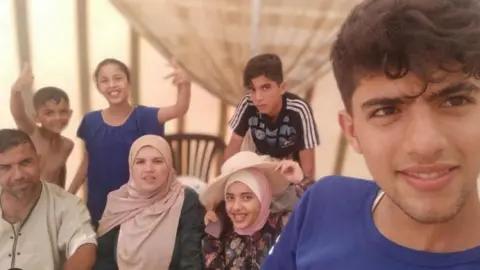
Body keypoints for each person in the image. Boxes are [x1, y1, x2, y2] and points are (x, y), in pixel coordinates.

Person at [262, 0, 480, 269]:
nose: (425, 145)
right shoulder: (324, 205)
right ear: (352, 131)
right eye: (386, 111)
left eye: (454, 101)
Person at [67, 58, 191, 227]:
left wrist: (184, 84)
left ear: (129, 82)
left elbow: (180, 108)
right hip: (99, 204)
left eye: (118, 78)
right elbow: (87, 162)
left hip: (140, 207)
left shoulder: (145, 116)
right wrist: (69, 194)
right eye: (104, 80)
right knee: (103, 250)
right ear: (98, 87)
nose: (112, 85)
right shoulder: (91, 121)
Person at [93, 135, 204, 270]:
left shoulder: (186, 200)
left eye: (157, 161)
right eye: (140, 162)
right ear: (131, 166)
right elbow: (104, 260)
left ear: (169, 165)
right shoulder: (119, 201)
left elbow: (191, 261)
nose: (149, 169)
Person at [0, 129, 96, 270]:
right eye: (5, 167)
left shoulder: (66, 204)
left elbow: (84, 247)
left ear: (39, 161)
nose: (18, 175)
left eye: (25, 162)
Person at [201, 151, 305, 270]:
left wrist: (301, 181)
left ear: (263, 197)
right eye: (230, 198)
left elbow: (323, 215)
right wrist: (213, 231)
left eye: (246, 197)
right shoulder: (221, 232)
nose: (236, 207)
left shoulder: (285, 226)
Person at [225, 53, 320, 179]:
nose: (258, 97)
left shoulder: (299, 109)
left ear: (282, 88)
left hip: (290, 177)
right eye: (253, 89)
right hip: (260, 174)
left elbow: (308, 169)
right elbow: (232, 150)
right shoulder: (248, 104)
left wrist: (304, 191)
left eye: (265, 88)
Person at [10, 63, 74, 188]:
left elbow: (60, 173)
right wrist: (16, 91)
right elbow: (19, 114)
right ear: (36, 117)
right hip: (25, 198)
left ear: (70, 114)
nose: (57, 118)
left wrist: (62, 197)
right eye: (49, 113)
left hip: (49, 200)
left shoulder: (67, 145)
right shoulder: (31, 133)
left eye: (63, 112)